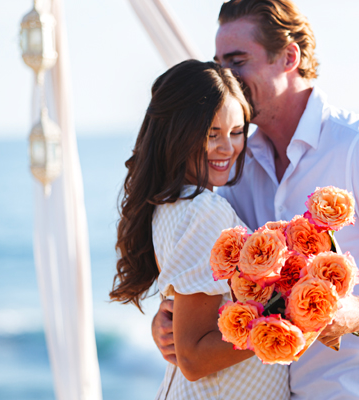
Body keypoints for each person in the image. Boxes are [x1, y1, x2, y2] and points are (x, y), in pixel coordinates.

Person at [151, 1, 359, 399]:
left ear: (289, 57)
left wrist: (355, 314)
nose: (227, 78)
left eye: (238, 61)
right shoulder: (232, 163)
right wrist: (170, 322)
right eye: (220, 64)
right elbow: (215, 276)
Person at [111, 60, 290, 400]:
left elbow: (189, 318)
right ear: (178, 132)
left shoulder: (172, 203)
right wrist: (290, 316)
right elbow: (193, 357)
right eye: (212, 134)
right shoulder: (203, 210)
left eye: (236, 132)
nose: (227, 148)